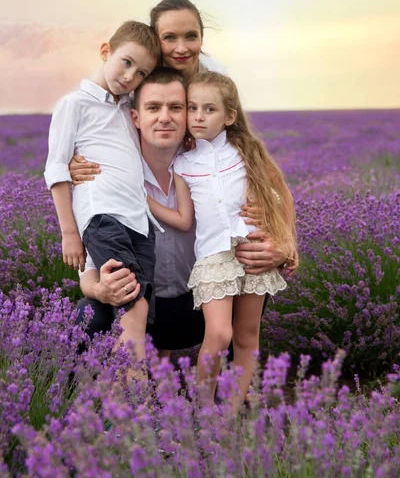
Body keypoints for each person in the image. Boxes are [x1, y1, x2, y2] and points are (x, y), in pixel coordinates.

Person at [73, 70, 298, 357]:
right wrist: (100, 289)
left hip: (200, 307)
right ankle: (87, 392)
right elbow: (89, 267)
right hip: (145, 311)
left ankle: (230, 388)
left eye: (177, 107)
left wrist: (283, 246)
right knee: (87, 313)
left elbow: (277, 195)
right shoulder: (114, 178)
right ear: (136, 118)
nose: (165, 117)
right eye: (153, 108)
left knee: (251, 272)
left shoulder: (216, 170)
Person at [147, 71, 296, 406]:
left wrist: (283, 239)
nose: (198, 116)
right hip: (214, 257)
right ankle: (203, 409)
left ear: (230, 116)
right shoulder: (183, 164)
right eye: (193, 108)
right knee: (218, 334)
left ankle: (227, 416)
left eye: (209, 109)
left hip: (252, 251)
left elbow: (279, 196)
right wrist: (144, 201)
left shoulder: (247, 152)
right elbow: (184, 219)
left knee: (246, 337)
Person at [44, 21, 160, 364]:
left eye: (141, 73)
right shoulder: (74, 104)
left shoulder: (126, 109)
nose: (129, 76)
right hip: (104, 215)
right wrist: (70, 233)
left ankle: (113, 387)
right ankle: (132, 397)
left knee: (136, 306)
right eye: (126, 62)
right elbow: (56, 169)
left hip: (138, 221)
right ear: (105, 51)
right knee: (132, 303)